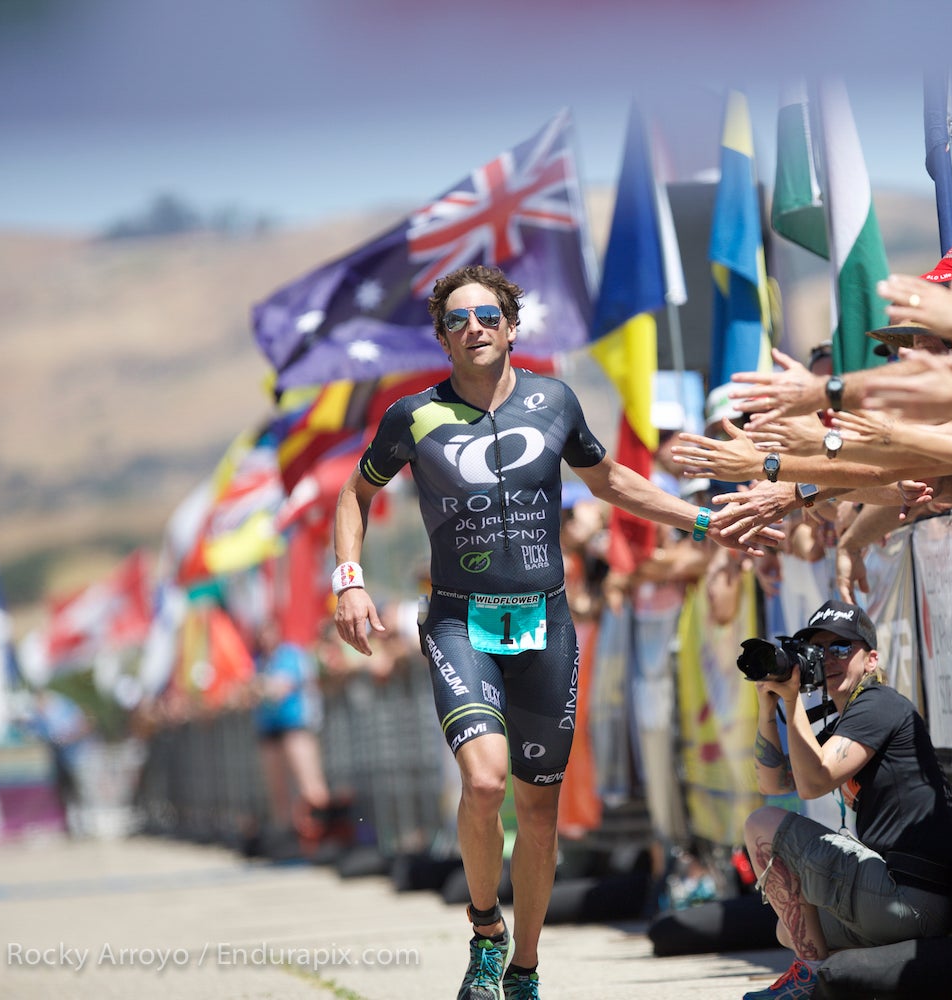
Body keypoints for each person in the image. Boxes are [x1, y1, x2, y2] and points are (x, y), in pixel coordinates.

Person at [331, 264, 771, 1000]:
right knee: (483, 779)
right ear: (442, 338)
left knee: (538, 811)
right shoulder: (413, 416)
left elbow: (611, 483)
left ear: (511, 326)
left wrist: (701, 518)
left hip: (546, 622)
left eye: (487, 315)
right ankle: (485, 935)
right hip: (459, 621)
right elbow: (356, 491)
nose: (474, 326)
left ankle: (525, 967)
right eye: (458, 319)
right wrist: (349, 580)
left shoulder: (554, 402)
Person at [742, 600, 952, 1000]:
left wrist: (794, 700)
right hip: (904, 898)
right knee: (792, 923)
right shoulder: (847, 717)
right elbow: (772, 781)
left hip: (912, 895)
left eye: (841, 647)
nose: (829, 658)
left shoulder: (878, 703)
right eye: (818, 650)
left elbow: (814, 783)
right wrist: (768, 706)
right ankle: (838, 974)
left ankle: (811, 978)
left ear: (871, 660)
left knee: (760, 825)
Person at [250, 618, 332, 858]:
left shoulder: (290, 655)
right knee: (278, 790)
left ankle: (324, 835)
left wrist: (260, 688)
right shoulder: (259, 661)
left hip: (295, 726)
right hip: (269, 729)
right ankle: (288, 840)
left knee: (310, 785)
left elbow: (280, 688)